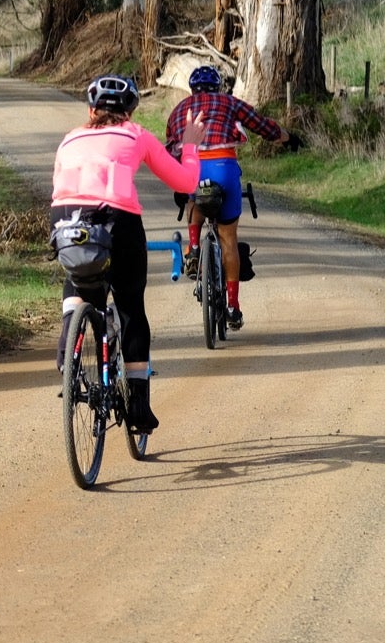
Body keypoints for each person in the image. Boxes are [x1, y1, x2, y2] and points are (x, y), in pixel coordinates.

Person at [51, 73, 203, 433]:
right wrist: (191, 145)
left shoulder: (69, 139)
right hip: (117, 219)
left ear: (91, 110)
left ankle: (67, 344)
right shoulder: (136, 135)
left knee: (79, 278)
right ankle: (137, 405)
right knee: (131, 305)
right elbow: (186, 182)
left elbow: (59, 187)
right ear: (130, 111)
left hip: (64, 219)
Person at [166, 65, 284, 331]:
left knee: (193, 197)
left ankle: (194, 247)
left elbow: (172, 146)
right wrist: (285, 137)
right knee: (229, 239)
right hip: (226, 167)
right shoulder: (230, 102)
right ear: (218, 88)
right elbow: (261, 124)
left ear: (192, 89)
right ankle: (232, 307)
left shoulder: (179, 109)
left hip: (195, 167)